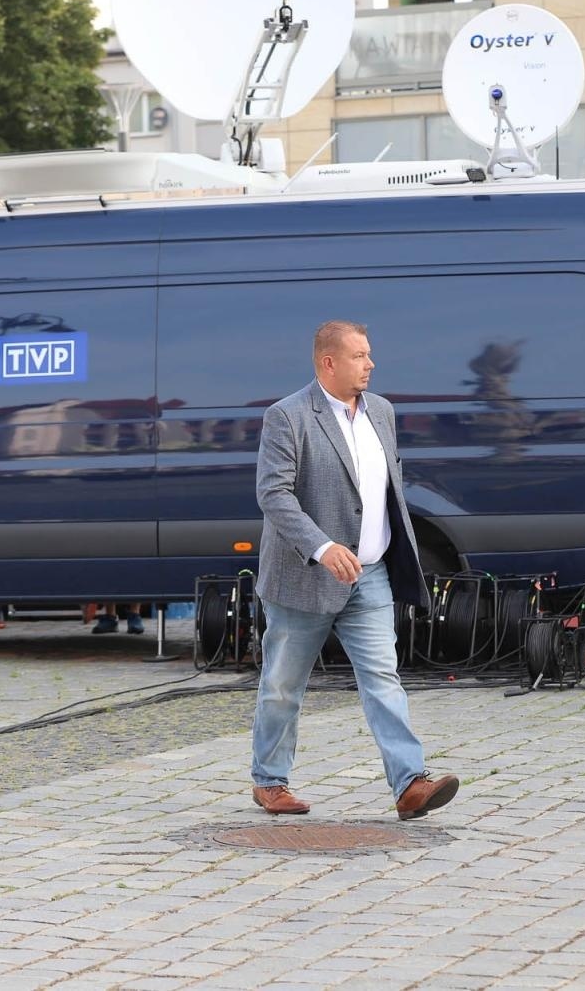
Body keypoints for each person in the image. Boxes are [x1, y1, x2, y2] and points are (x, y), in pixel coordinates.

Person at [250, 320, 459, 820]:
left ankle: (410, 782)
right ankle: (269, 781)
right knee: (283, 685)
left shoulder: (382, 412)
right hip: (304, 577)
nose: (371, 364)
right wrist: (321, 547)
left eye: (368, 355)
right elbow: (273, 494)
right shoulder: (288, 416)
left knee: (383, 677)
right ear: (328, 362)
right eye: (359, 356)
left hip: (370, 575)